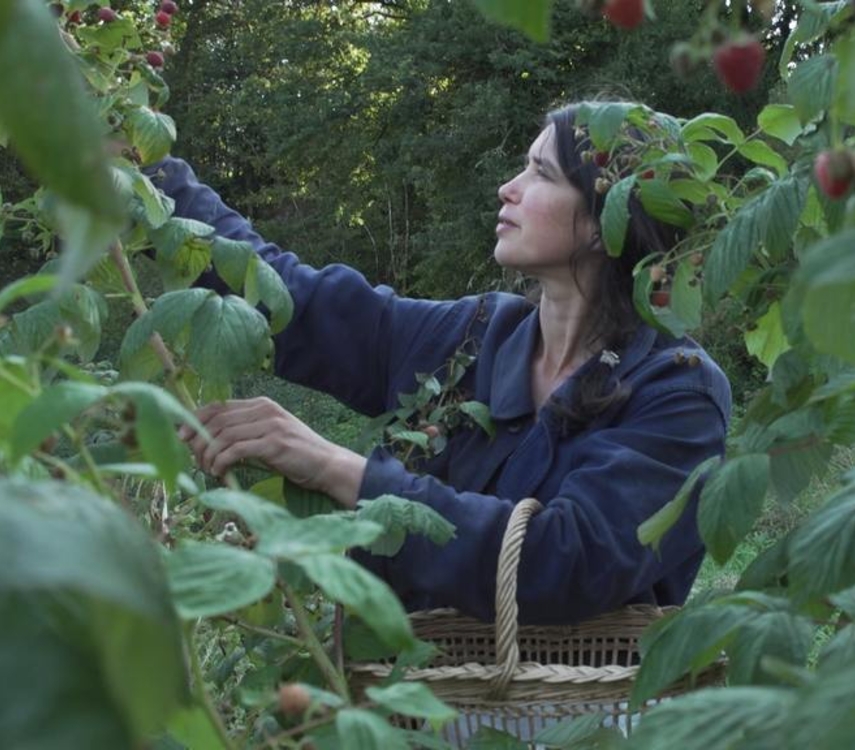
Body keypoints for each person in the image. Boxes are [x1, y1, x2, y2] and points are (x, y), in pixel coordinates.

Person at [151, 101, 732, 626]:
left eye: (542, 174)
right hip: (412, 713)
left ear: (610, 218)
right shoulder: (471, 335)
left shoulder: (678, 389)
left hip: (576, 727)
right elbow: (296, 301)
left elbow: (562, 565)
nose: (509, 187)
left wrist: (337, 468)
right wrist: (148, 179)